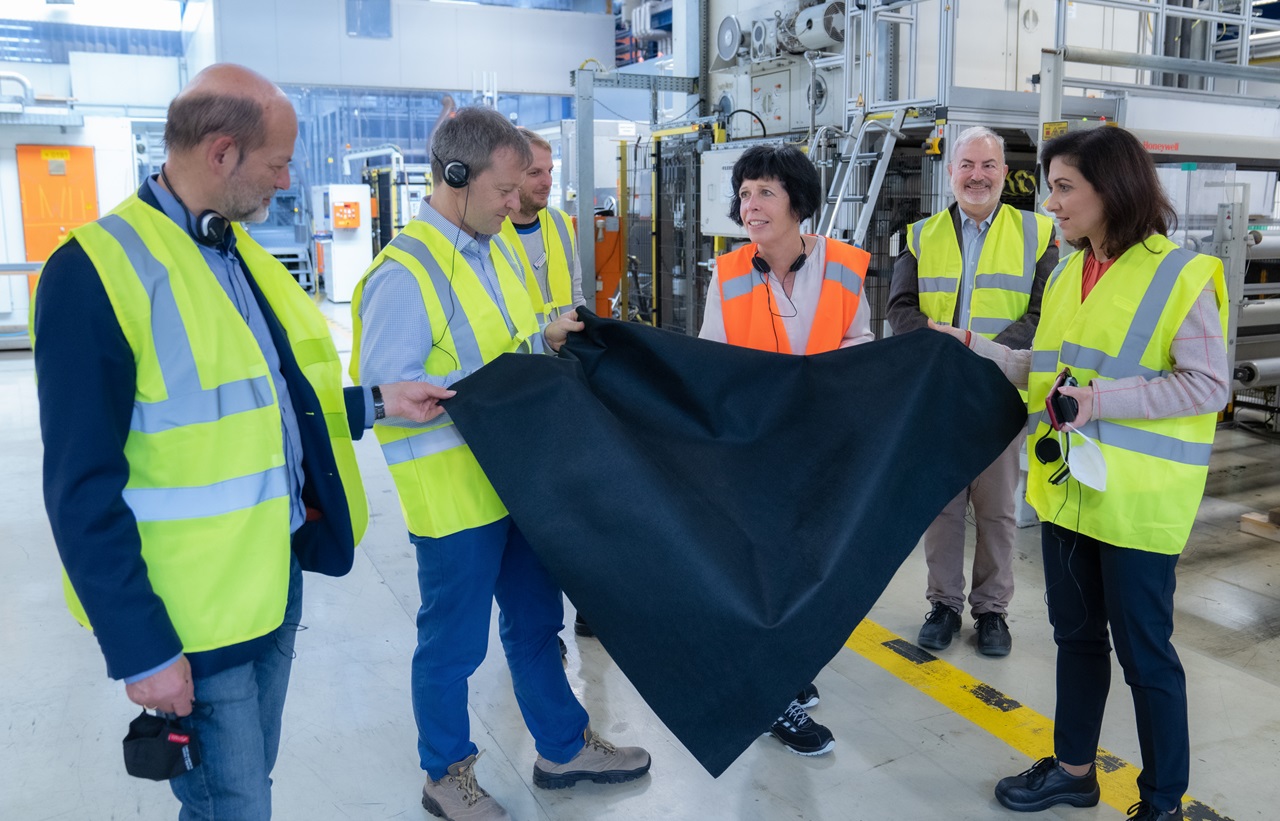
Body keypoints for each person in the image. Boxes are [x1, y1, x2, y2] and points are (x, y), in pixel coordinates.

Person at [30, 63, 453, 820]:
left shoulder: (231, 249)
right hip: (191, 621)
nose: (288, 180)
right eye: (279, 162)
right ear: (222, 153)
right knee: (235, 806)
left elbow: (265, 406)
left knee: (244, 791)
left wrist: (378, 401)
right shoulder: (94, 272)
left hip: (269, 580)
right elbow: (78, 486)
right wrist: (141, 648)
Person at [350, 106, 651, 821]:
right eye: (506, 190)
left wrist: (542, 338)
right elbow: (383, 393)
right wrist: (409, 401)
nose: (519, 204)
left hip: (518, 481)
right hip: (454, 497)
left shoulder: (494, 249)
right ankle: (445, 772)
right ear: (457, 176)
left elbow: (499, 345)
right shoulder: (404, 273)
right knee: (452, 645)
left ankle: (562, 745)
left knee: (533, 620)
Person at [934, 125, 1227, 821]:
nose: (1053, 203)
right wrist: (972, 347)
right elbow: (1045, 369)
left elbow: (1208, 383)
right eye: (1052, 187)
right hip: (1070, 496)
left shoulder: (1176, 273)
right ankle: (1073, 771)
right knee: (1076, 640)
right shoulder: (1068, 270)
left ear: (1111, 188)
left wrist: (1100, 402)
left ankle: (1162, 803)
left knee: (1146, 657)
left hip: (1135, 505)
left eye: (1065, 188)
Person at [699, 142, 872, 756]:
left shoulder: (845, 268)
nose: (751, 204)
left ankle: (792, 668)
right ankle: (775, 702)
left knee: (809, 568)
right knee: (763, 573)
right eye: (744, 193)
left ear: (798, 203)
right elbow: (711, 365)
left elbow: (862, 343)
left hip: (823, 446)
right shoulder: (726, 275)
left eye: (765, 191)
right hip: (756, 450)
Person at [887, 125, 1059, 657]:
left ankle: (992, 611)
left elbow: (1043, 314)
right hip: (940, 393)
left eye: (988, 166)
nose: (977, 175)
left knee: (996, 509)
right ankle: (943, 604)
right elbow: (900, 310)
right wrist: (950, 355)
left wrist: (982, 352)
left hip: (999, 392)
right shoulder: (921, 234)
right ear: (950, 173)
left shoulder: (1039, 233)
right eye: (967, 165)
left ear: (1005, 175)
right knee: (941, 504)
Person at [497, 126, 594, 642]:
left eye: (550, 172)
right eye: (535, 172)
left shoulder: (558, 225)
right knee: (532, 512)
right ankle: (538, 624)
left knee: (575, 500)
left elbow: (574, 292)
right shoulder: (491, 234)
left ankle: (587, 603)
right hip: (520, 379)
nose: (546, 182)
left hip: (560, 377)